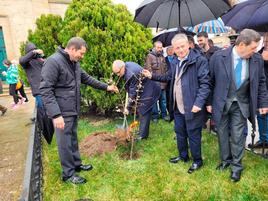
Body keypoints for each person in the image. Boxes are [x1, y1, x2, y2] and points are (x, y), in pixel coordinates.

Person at [40, 37, 119, 185]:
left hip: (72, 109)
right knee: (64, 142)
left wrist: (106, 87)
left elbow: (87, 79)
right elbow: (45, 89)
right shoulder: (53, 62)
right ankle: (68, 174)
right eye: (81, 53)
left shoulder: (74, 63)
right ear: (72, 49)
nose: (82, 56)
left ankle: (76, 164)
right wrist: (56, 115)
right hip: (61, 112)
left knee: (72, 138)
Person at [143, 34, 210, 174]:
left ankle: (197, 161)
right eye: (177, 47)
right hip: (177, 106)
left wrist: (198, 103)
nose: (180, 50)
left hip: (192, 106)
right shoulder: (174, 62)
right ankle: (183, 156)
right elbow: (167, 77)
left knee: (193, 134)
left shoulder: (199, 61)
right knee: (180, 132)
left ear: (188, 45)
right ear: (173, 49)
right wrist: (152, 76)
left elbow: (205, 84)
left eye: (182, 46)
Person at [207, 29, 268, 182]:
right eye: (253, 48)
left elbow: (261, 82)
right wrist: (208, 102)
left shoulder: (257, 60)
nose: (255, 51)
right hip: (221, 102)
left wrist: (263, 102)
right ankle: (225, 161)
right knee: (221, 133)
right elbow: (210, 81)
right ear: (241, 44)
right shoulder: (218, 57)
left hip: (241, 104)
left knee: (238, 136)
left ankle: (236, 167)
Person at [112, 60, 161, 140]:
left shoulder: (132, 74)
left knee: (144, 111)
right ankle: (141, 131)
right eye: (116, 73)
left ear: (122, 67)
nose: (117, 75)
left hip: (149, 91)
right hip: (144, 89)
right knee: (141, 110)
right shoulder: (126, 66)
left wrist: (128, 108)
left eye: (118, 72)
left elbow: (133, 93)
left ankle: (143, 136)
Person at [145, 41, 169, 123]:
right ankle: (155, 116)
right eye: (158, 47)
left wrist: (165, 80)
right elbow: (148, 70)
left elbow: (166, 69)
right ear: (154, 47)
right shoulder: (149, 56)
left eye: (161, 47)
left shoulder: (163, 56)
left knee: (163, 100)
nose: (160, 49)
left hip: (163, 83)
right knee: (154, 101)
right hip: (154, 84)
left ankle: (164, 115)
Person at [249, 42, 268, 148]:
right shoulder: (260, 51)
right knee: (261, 116)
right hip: (262, 88)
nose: (265, 43)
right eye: (265, 40)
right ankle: (264, 140)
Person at [19, 42, 45, 108]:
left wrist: (42, 56)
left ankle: (36, 117)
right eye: (32, 51)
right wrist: (33, 52)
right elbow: (22, 61)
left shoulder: (39, 59)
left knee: (44, 110)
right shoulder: (26, 62)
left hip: (46, 87)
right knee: (42, 109)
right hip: (38, 90)